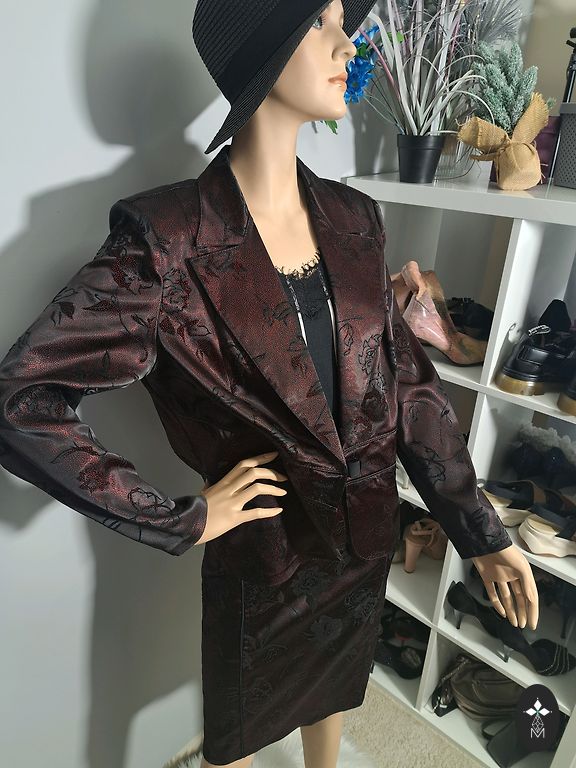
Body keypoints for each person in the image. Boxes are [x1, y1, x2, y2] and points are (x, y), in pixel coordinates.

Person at [0, 2, 539, 767]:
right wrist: (181, 518)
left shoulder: (355, 218)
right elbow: (22, 400)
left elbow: (410, 389)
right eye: (321, 23)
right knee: (240, 731)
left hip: (362, 541)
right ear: (264, 51)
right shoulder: (168, 239)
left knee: (336, 694)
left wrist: (479, 531)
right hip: (265, 555)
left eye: (343, 21)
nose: (347, 44)